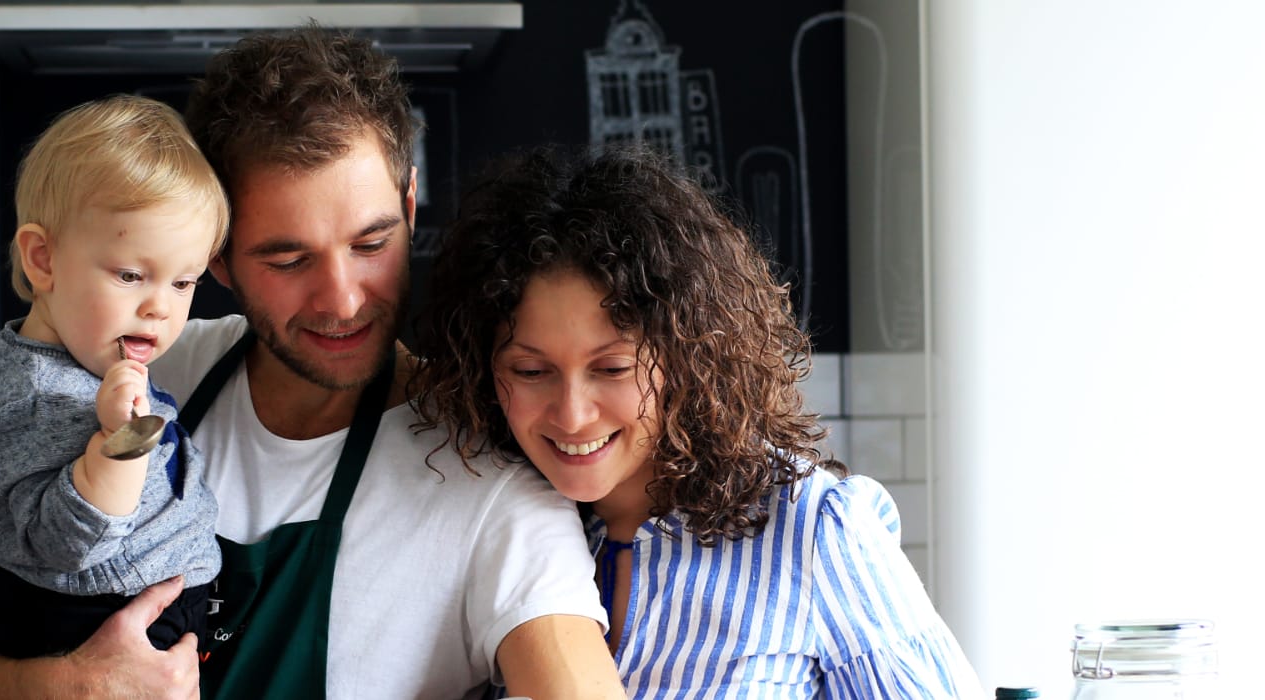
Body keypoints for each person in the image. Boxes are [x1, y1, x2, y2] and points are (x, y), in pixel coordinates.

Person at [0, 27, 623, 700]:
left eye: (371, 244)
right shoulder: (141, 375)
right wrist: (72, 686)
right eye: (288, 257)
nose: (341, 299)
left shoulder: (485, 480)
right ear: (218, 261)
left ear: (411, 204)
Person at [409, 144, 986, 698]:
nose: (572, 413)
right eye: (532, 371)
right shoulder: (494, 523)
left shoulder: (811, 531)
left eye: (612, 368)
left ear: (686, 354)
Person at [0, 94, 226, 660]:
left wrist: (7, 508)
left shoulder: (4, 356)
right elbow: (71, 544)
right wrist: (123, 445)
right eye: (132, 274)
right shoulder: (55, 400)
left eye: (183, 283)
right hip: (112, 619)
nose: (160, 308)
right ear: (42, 260)